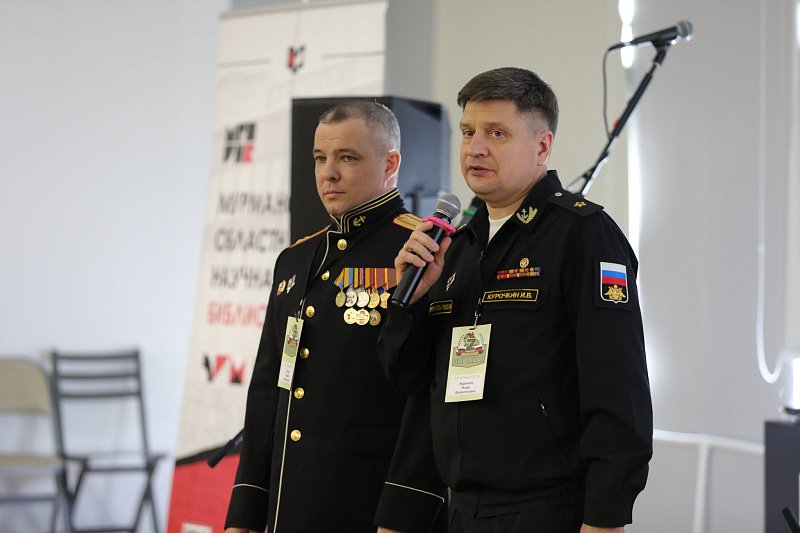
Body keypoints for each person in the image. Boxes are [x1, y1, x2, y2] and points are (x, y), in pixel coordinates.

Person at [378, 67, 653, 532]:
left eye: (497, 133)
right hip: (463, 509)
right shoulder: (456, 247)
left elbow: (618, 389)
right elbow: (408, 379)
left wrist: (606, 517)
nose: (475, 148)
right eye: (468, 132)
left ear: (542, 147)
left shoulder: (582, 234)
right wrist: (410, 304)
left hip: (549, 508)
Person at [225, 101, 445, 533]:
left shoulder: (422, 253)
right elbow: (269, 389)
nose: (329, 173)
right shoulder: (296, 259)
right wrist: (247, 508)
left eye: (347, 157)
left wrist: (403, 515)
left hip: (368, 502)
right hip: (292, 501)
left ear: (390, 164)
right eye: (320, 158)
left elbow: (429, 402)